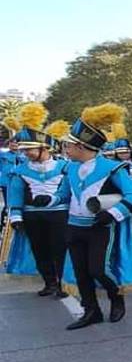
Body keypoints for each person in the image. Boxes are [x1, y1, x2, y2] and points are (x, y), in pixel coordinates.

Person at [59, 104, 132, 329]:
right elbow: (63, 195)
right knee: (81, 272)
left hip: (99, 227)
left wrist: (112, 214)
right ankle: (91, 311)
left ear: (81, 146)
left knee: (98, 269)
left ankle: (116, 297)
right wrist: (47, 200)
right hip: (74, 226)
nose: (65, 148)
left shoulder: (113, 168)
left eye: (69, 144)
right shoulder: (69, 168)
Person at [4, 102, 69, 297]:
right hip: (32, 215)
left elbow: (71, 192)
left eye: (29, 149)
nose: (26, 153)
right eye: (24, 150)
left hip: (60, 214)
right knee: (40, 251)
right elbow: (14, 195)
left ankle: (62, 284)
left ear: (43, 148)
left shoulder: (65, 167)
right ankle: (49, 282)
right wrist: (16, 217)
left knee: (60, 250)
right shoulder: (20, 170)